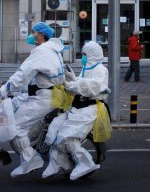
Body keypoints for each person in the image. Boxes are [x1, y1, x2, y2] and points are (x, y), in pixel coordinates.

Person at [0, 22, 66, 178]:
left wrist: (6, 88)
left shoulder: (42, 51)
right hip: (47, 94)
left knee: (15, 128)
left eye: (34, 32)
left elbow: (23, 73)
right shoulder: (52, 50)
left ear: (42, 35)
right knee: (17, 106)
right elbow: (34, 76)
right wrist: (15, 90)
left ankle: (31, 160)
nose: (31, 35)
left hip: (44, 97)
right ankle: (32, 150)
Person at [42, 41, 110, 180]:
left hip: (88, 109)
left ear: (92, 54)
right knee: (53, 129)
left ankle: (86, 163)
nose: (83, 57)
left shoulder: (101, 70)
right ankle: (58, 162)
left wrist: (72, 84)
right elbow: (81, 81)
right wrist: (72, 78)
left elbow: (91, 86)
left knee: (66, 136)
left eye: (85, 54)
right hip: (76, 107)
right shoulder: (88, 67)